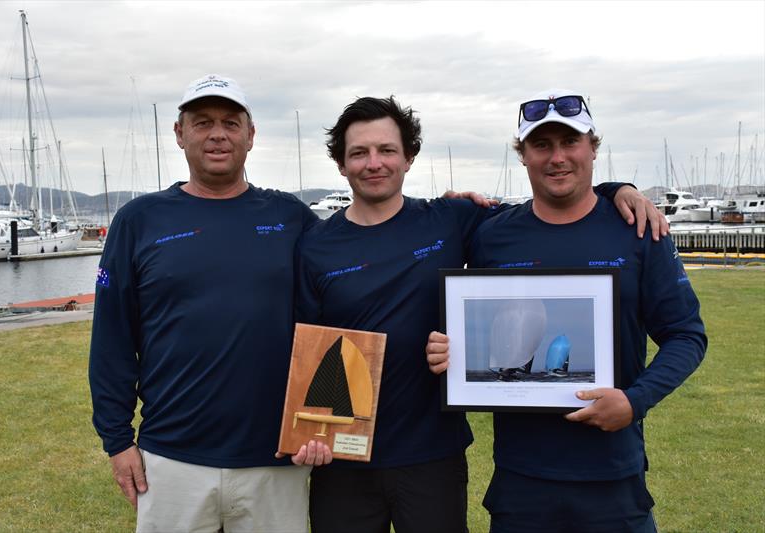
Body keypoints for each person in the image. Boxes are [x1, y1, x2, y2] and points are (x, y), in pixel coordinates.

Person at [294, 96, 667, 533]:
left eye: (387, 150)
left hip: (432, 457)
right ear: (341, 164)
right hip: (345, 458)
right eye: (359, 152)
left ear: (409, 157)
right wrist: (310, 435)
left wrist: (615, 189)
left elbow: (553, 201)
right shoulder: (315, 245)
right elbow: (305, 352)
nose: (374, 163)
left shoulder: (453, 219)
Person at [426, 89, 707, 532]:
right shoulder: (491, 234)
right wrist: (452, 350)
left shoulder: (638, 229)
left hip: (613, 473)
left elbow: (686, 335)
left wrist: (635, 402)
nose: (557, 157)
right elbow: (474, 317)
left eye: (570, 142)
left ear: (593, 148)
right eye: (541, 145)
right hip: (520, 479)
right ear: (523, 156)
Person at [89, 75, 317, 533]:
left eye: (231, 123)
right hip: (171, 458)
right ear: (180, 133)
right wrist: (117, 440)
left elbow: (353, 270)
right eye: (203, 122)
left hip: (274, 458)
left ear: (251, 136)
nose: (218, 134)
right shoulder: (138, 220)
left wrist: (443, 211)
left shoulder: (290, 218)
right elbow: (112, 339)